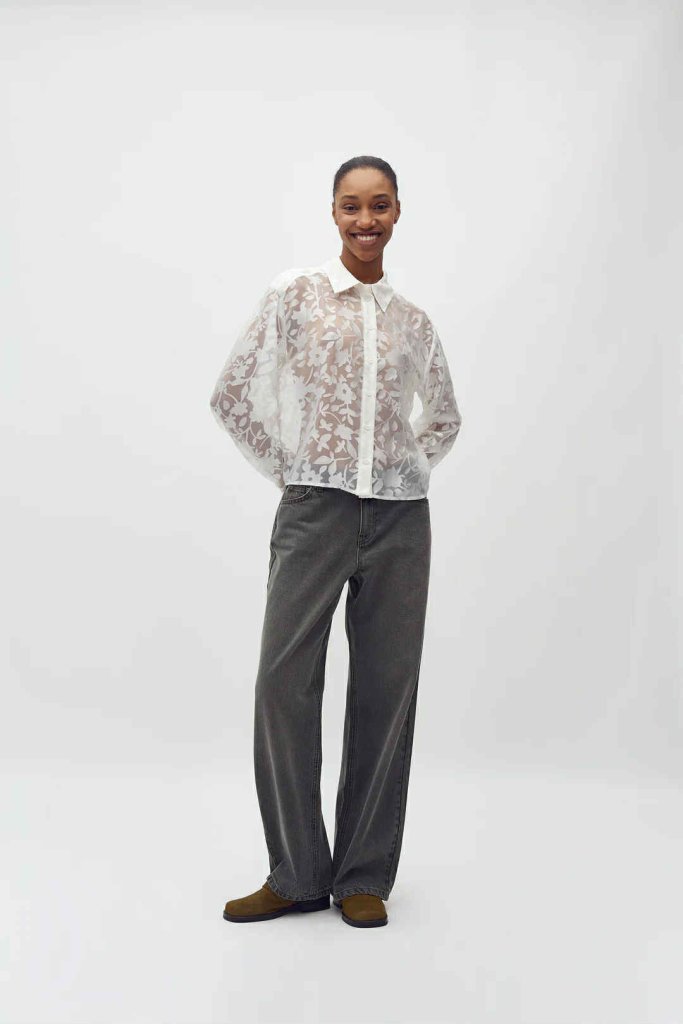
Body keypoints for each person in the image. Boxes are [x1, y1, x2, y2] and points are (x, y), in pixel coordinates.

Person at [209, 155, 462, 928]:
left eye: (379, 205)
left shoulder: (412, 321)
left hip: (399, 520)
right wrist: (297, 471)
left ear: (397, 213)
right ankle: (295, 874)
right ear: (332, 212)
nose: (365, 219)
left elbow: (443, 417)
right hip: (313, 512)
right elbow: (232, 394)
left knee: (385, 691)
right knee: (282, 684)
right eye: (351, 205)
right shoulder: (296, 295)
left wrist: (404, 467)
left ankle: (362, 876)